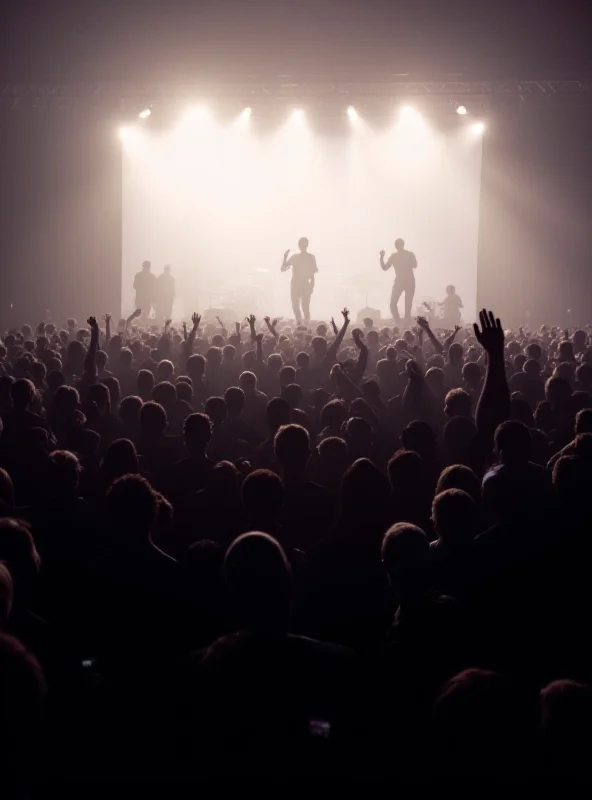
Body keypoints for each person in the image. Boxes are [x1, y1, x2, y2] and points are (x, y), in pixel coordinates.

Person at [281, 237, 318, 324]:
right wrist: (285, 257)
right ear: (299, 245)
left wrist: (312, 287)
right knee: (295, 307)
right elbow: (283, 268)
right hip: (295, 284)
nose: (303, 246)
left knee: (305, 308)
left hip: (305, 284)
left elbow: (312, 274)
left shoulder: (311, 257)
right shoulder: (295, 257)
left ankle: (306, 325)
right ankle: (299, 324)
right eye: (301, 244)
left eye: (304, 244)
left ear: (307, 245)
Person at [380, 237, 417, 323]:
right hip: (401, 281)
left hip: (408, 281)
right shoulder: (395, 256)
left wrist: (405, 261)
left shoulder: (408, 254)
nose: (398, 247)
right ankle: (399, 323)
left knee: (407, 306)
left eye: (399, 245)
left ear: (402, 245)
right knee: (393, 304)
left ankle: (404, 323)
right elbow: (385, 267)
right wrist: (381, 258)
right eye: (397, 245)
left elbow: (414, 265)